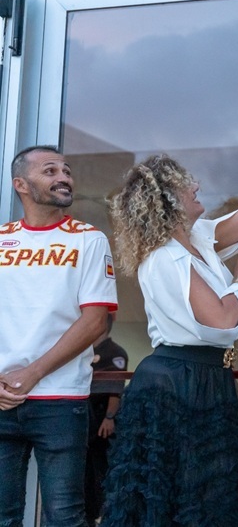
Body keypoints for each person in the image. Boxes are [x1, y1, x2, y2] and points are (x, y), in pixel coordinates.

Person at [99, 143, 238, 526]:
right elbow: (222, 323)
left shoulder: (198, 238)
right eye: (185, 183)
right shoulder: (165, 257)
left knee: (207, 495)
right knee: (184, 496)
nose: (197, 185)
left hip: (203, 378)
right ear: (167, 200)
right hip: (177, 383)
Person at [0, 146, 118, 527]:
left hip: (61, 401)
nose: (64, 177)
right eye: (50, 171)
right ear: (21, 184)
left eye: (66, 170)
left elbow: (95, 322)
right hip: (1, 398)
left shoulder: (89, 240)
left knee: (65, 517)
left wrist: (31, 373)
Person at [84, 314, 128, 526]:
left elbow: (115, 390)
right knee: (84, 471)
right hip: (84, 418)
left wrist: (109, 417)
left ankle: (102, 513)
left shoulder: (115, 353)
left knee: (101, 469)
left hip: (102, 422)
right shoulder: (83, 351)